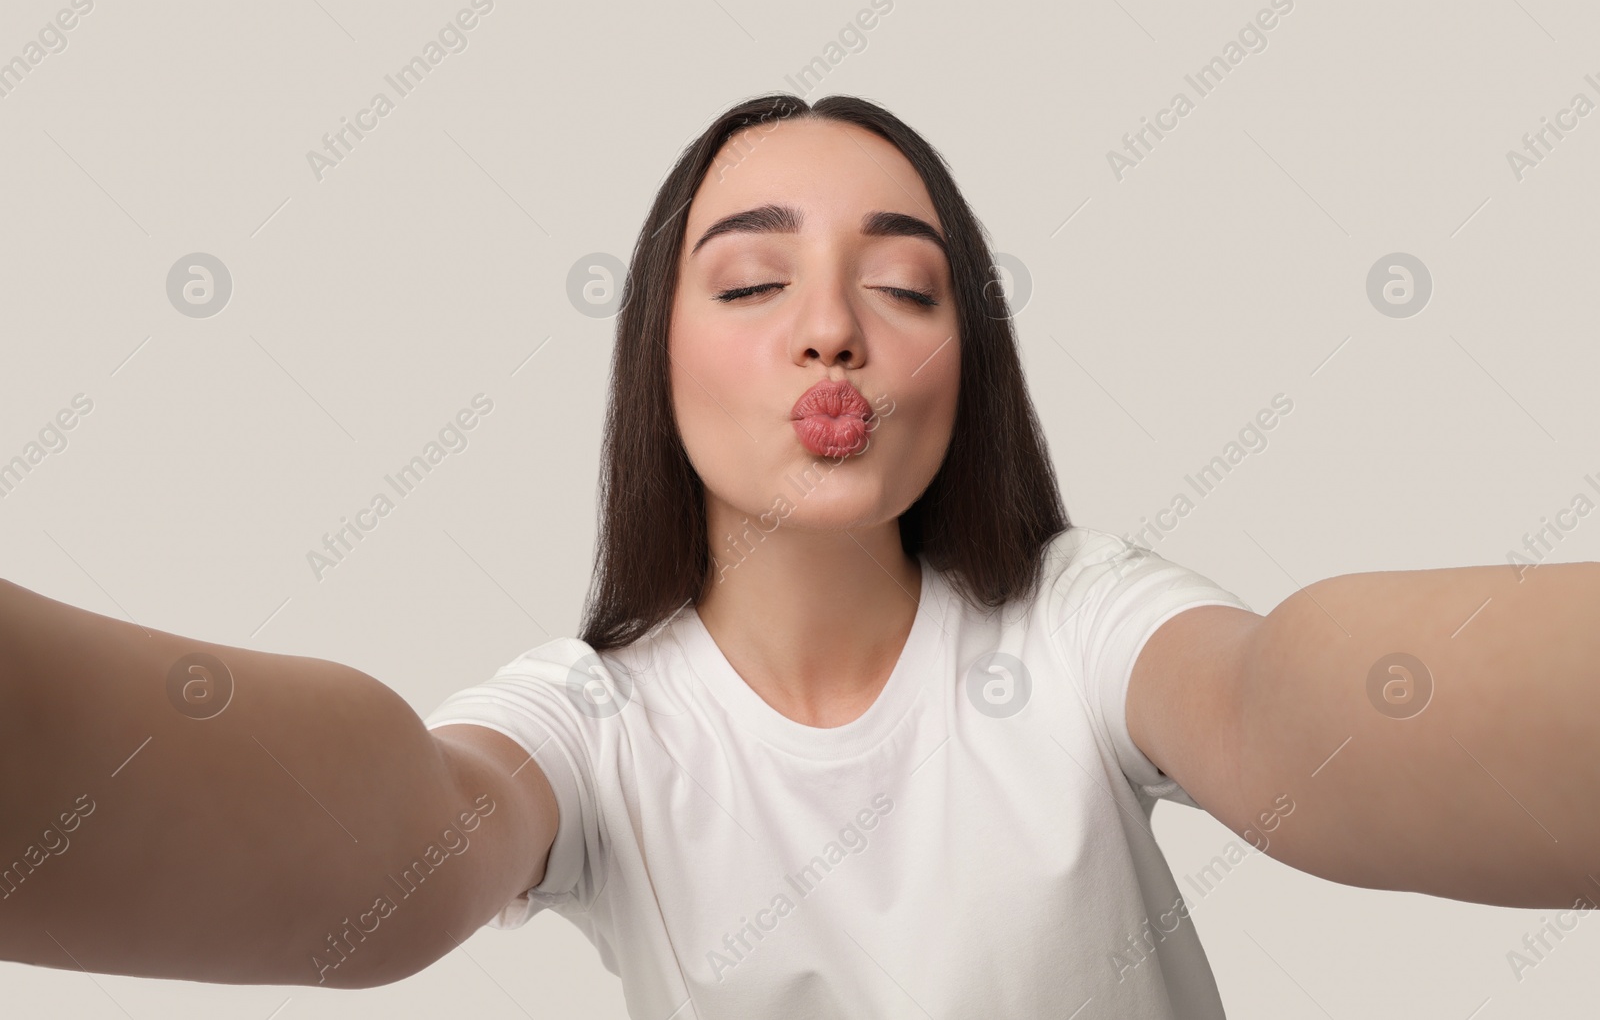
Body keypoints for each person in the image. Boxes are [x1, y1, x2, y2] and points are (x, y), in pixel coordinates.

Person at [3, 94, 1596, 1020]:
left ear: (967, 367)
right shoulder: (601, 726)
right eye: (753, 284)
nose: (832, 325)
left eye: (906, 289)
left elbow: (1279, 707)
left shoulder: (1082, 622)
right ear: (656, 359)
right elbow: (401, 837)